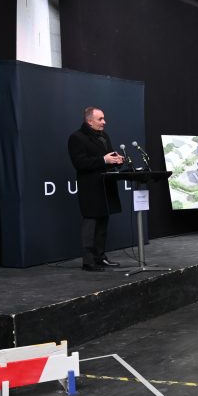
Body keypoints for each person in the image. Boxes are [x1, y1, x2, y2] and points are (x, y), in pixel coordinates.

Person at [67, 106, 124, 272]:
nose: (104, 122)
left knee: (103, 225)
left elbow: (107, 157)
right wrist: (103, 160)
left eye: (104, 118)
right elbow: (80, 163)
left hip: (106, 186)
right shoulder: (76, 137)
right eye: (100, 119)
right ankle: (88, 261)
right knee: (91, 224)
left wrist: (116, 160)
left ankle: (100, 258)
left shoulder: (104, 136)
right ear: (89, 121)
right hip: (90, 188)